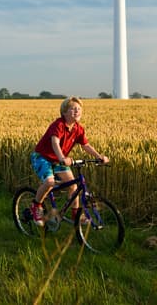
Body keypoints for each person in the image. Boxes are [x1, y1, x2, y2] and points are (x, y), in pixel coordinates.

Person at [29, 96, 109, 226]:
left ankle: (75, 215)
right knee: (49, 182)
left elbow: (85, 145)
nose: (76, 111)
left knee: (73, 185)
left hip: (59, 160)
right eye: (72, 109)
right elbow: (55, 142)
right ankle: (36, 206)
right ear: (64, 112)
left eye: (78, 109)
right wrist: (62, 158)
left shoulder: (78, 129)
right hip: (42, 157)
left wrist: (98, 156)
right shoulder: (58, 125)